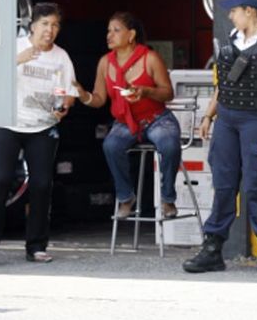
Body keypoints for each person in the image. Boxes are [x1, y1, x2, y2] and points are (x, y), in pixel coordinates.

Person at [183, 0, 257, 276]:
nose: (230, 16)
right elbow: (225, 84)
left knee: (256, 183)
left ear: (249, 11)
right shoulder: (233, 38)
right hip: (227, 120)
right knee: (224, 182)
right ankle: (213, 248)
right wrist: (209, 114)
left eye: (234, 10)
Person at [0, 2, 78, 263]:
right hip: (6, 122)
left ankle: (36, 246)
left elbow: (70, 92)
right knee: (0, 180)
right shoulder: (12, 47)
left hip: (42, 126)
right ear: (32, 25)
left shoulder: (61, 57)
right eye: (45, 24)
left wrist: (64, 108)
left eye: (55, 25)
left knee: (41, 184)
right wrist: (17, 60)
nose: (50, 30)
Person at [72, 12, 181, 221]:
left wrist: (146, 91)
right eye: (108, 31)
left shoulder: (150, 57)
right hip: (125, 122)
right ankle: (125, 197)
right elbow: (99, 99)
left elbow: (168, 93)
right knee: (110, 146)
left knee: (168, 143)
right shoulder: (105, 62)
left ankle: (167, 197)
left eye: (116, 30)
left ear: (131, 35)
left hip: (156, 118)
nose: (109, 35)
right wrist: (82, 95)